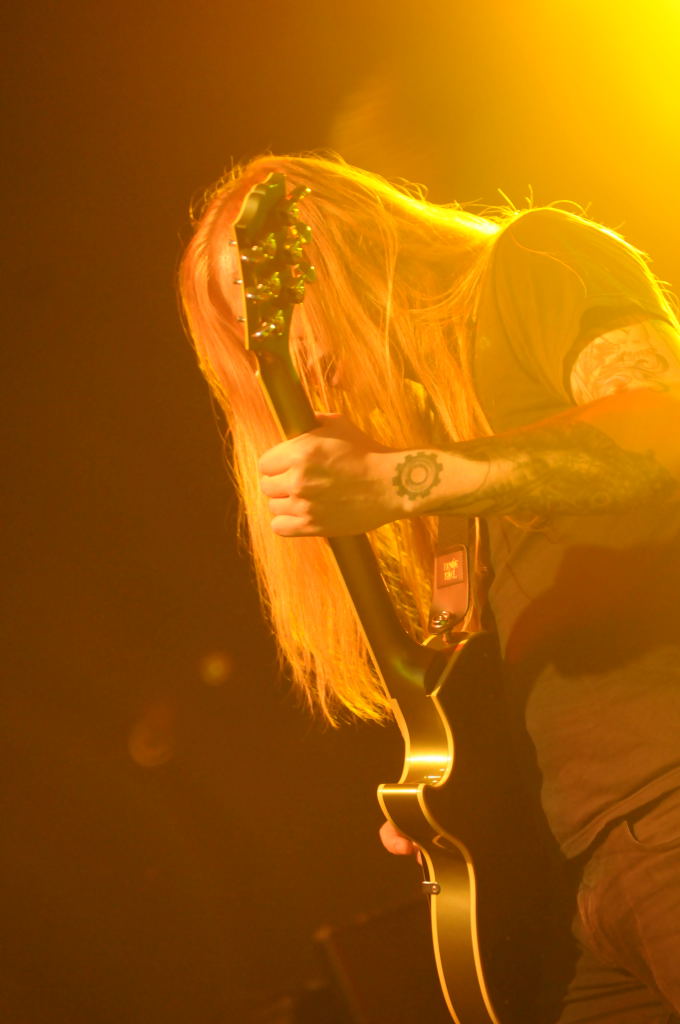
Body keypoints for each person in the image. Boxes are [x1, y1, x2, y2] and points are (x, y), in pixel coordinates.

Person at [179, 153, 680, 1023]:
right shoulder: (443, 433)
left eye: (271, 305)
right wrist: (459, 807)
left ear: (329, 249)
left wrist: (400, 477)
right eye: (247, 331)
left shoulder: (533, 261)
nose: (287, 354)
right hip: (586, 888)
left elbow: (661, 426)